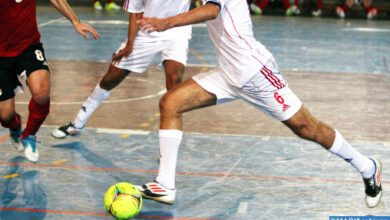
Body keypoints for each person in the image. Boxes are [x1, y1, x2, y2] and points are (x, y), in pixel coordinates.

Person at [135, 0, 383, 208]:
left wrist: (166, 23)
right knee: (170, 103)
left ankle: (367, 167)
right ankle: (165, 185)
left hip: (256, 73)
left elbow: (211, 10)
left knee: (307, 128)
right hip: (228, 75)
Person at [51, 0, 192, 139]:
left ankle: (169, 144)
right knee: (110, 79)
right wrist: (130, 43)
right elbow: (136, 13)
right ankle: (77, 124)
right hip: (146, 31)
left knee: (174, 79)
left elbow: (209, 8)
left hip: (177, 32)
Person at [0, 0, 99, 163]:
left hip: (29, 46)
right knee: (6, 116)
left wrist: (75, 21)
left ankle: (29, 135)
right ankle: (14, 126)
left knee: (42, 94)